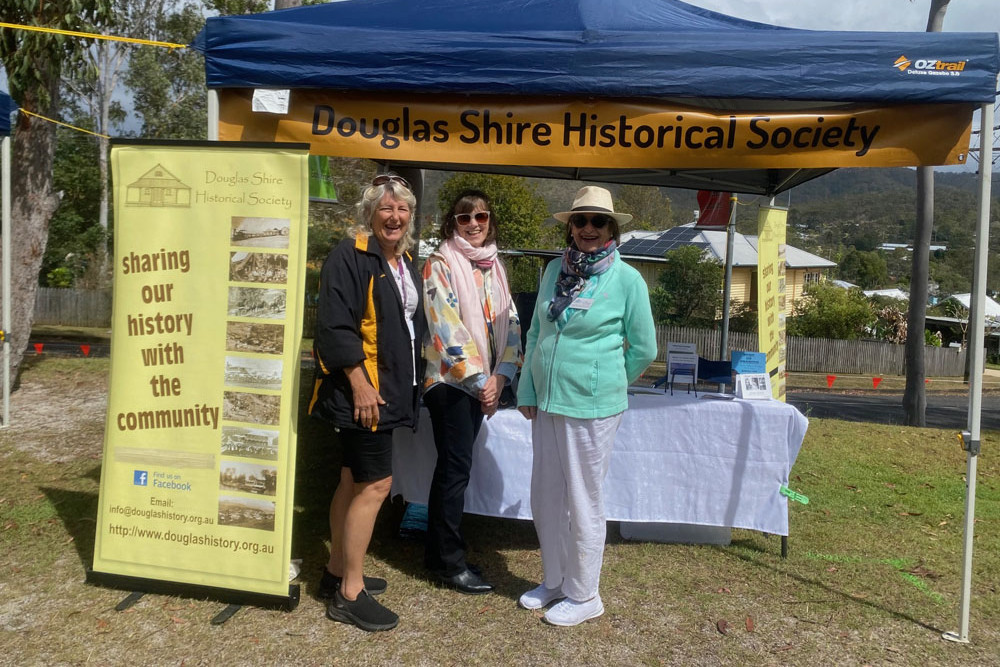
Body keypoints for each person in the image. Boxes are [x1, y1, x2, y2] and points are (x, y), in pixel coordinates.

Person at [515, 185, 657, 627]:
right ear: (571, 227)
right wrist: (526, 389)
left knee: (583, 500)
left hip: (592, 407)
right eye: (580, 221)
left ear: (611, 228)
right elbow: (537, 332)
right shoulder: (555, 269)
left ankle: (585, 593)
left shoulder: (627, 279)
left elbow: (644, 348)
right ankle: (555, 580)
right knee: (546, 497)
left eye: (598, 221)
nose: (588, 229)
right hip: (547, 401)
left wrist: (606, 380)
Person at [309, 173, 424, 632]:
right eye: (386, 209)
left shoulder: (402, 259)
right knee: (374, 486)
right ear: (369, 213)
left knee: (351, 479)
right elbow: (335, 327)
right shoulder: (349, 256)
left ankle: (337, 569)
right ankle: (349, 594)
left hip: (389, 389)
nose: (394, 217)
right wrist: (358, 382)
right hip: (365, 393)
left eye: (402, 210)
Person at [422, 189, 522, 593]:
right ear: (453, 224)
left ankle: (439, 553)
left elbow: (511, 321)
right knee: (453, 471)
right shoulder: (439, 263)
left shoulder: (493, 266)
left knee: (455, 470)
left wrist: (503, 375)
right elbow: (444, 327)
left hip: (485, 385)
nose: (474, 224)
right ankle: (448, 562)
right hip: (450, 384)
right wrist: (482, 383)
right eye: (465, 219)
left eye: (481, 216)